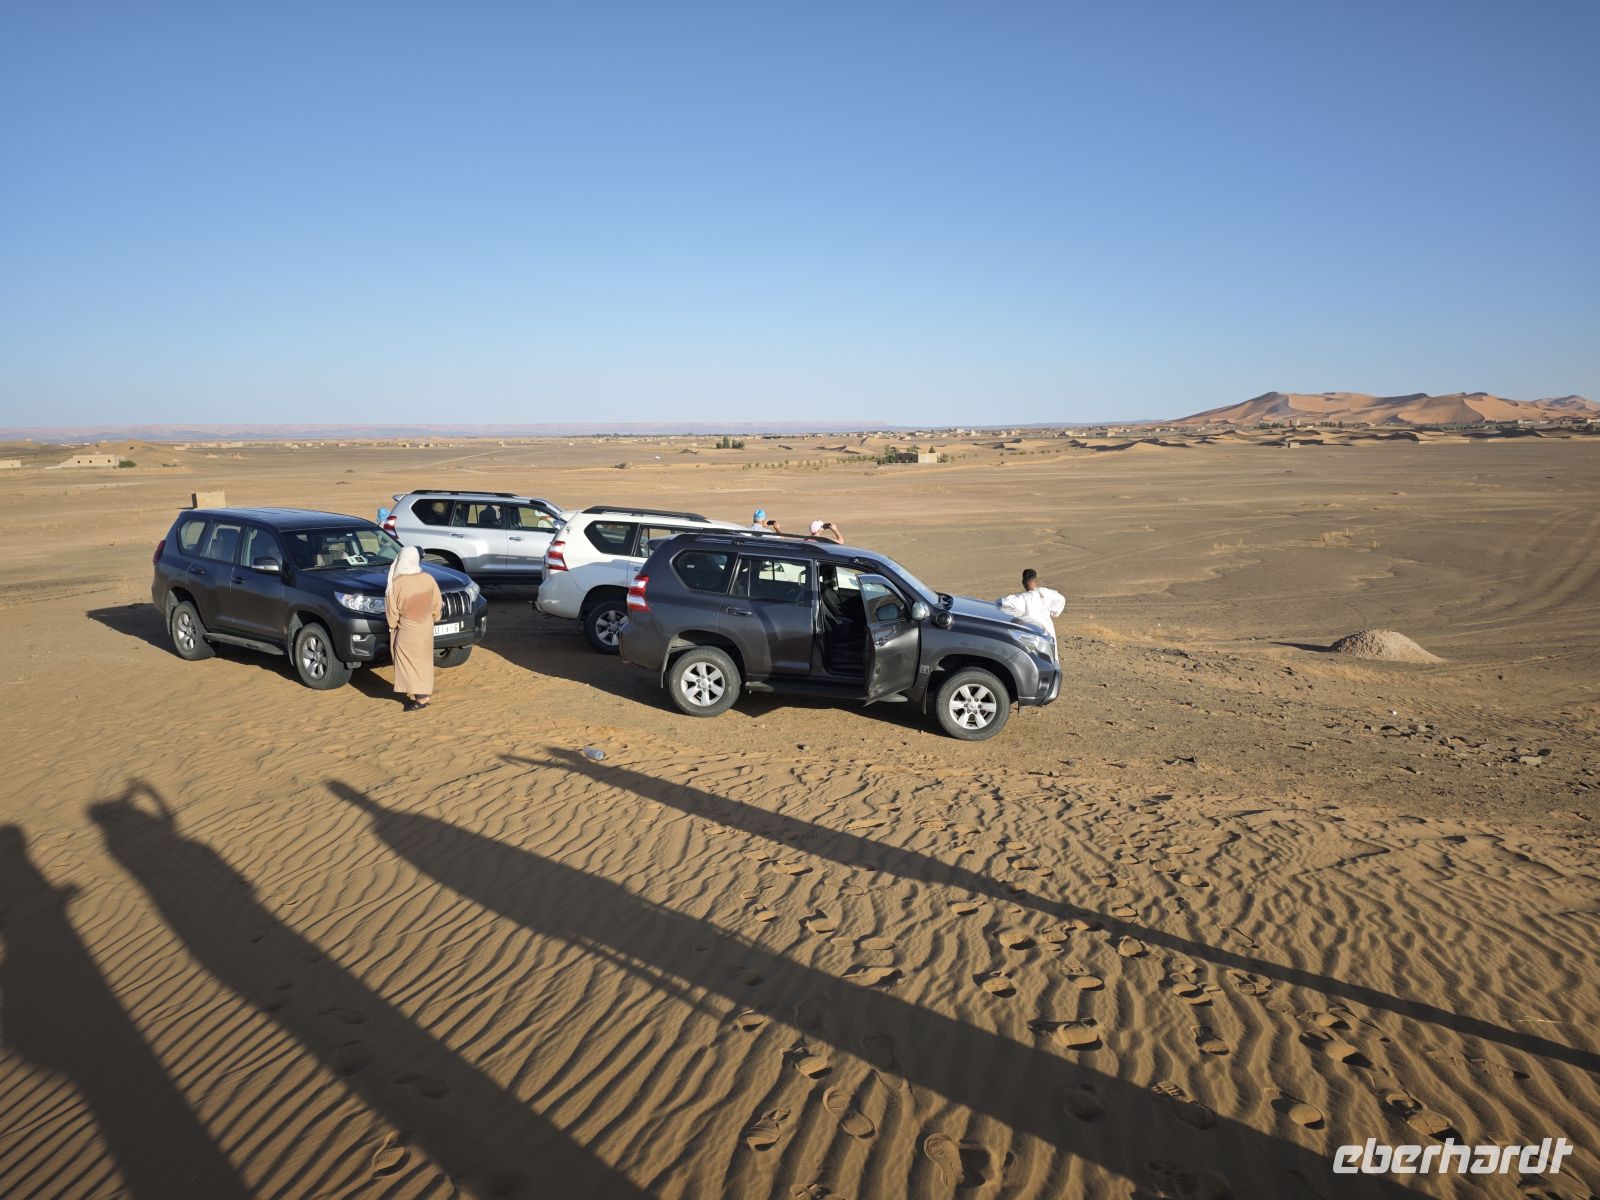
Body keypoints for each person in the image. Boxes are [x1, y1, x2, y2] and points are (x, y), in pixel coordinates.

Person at [385, 546, 443, 711]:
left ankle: (421, 698)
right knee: (424, 663)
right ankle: (423, 695)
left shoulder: (396, 583)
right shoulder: (429, 579)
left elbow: (392, 612)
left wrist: (392, 627)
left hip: (407, 631)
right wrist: (434, 618)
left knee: (409, 664)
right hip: (426, 628)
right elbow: (437, 605)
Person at [997, 568, 1066, 641]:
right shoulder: (1044, 593)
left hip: (1032, 636)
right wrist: (1054, 613)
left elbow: (1000, 602)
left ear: (1023, 582)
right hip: (1048, 634)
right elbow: (1061, 599)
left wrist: (1016, 618)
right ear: (1036, 581)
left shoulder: (1020, 598)